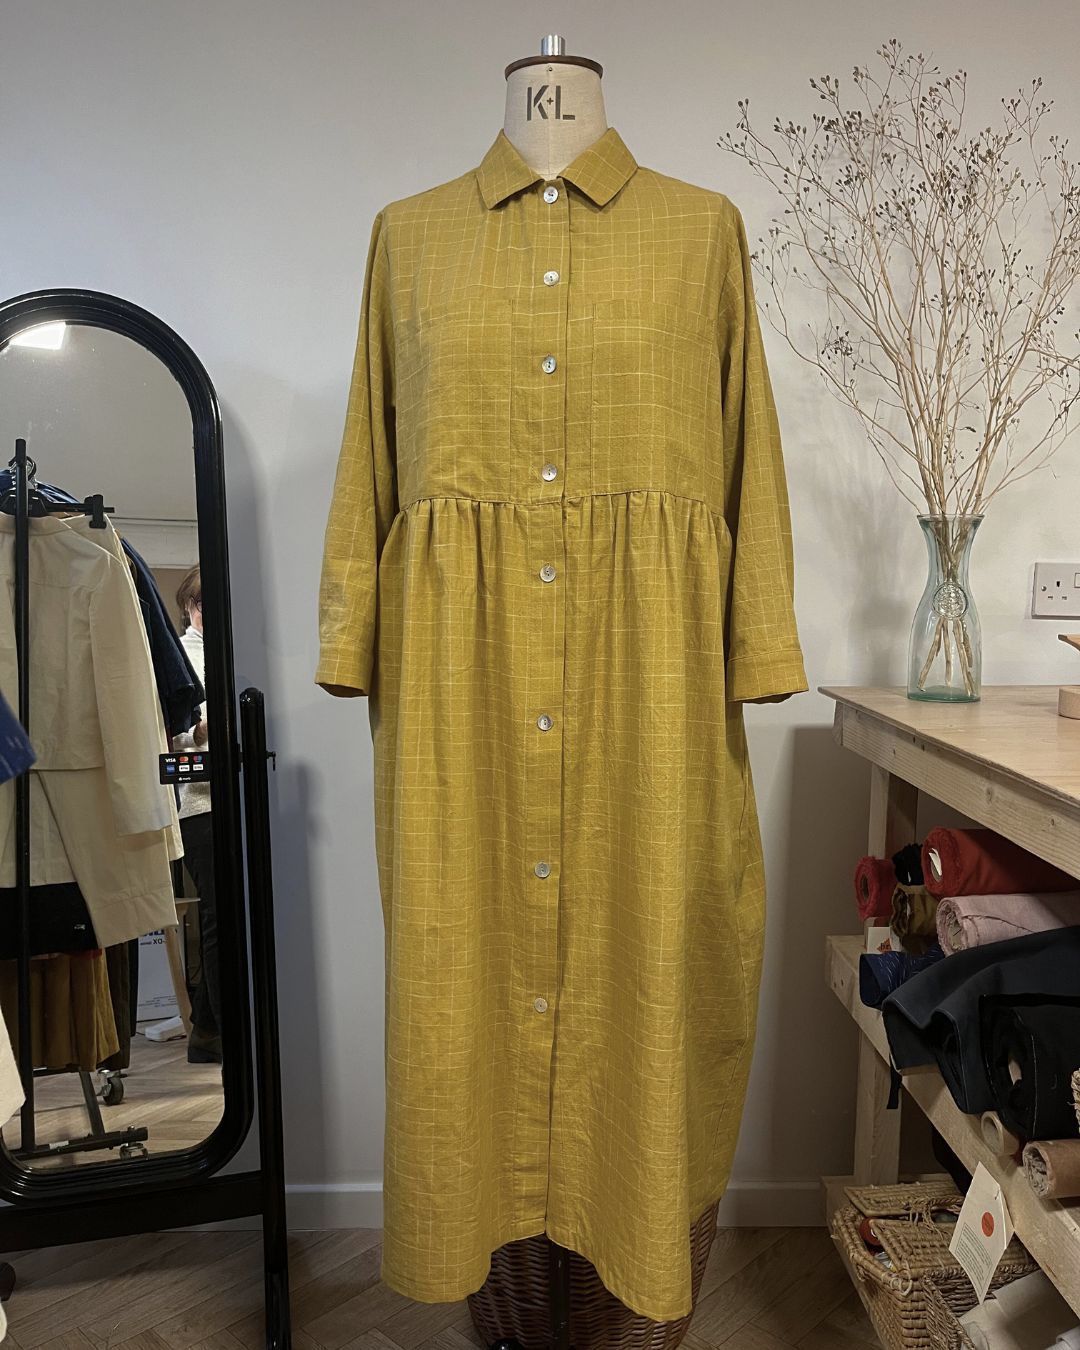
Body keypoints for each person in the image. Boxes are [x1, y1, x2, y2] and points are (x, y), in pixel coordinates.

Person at [172, 565, 220, 1064]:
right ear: (188, 607)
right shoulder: (181, 655)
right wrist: (202, 728)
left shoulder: (241, 646)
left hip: (241, 794)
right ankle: (215, 1027)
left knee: (229, 913)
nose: (206, 612)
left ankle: (207, 1028)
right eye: (199, 604)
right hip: (202, 803)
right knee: (216, 915)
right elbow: (172, 734)